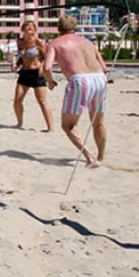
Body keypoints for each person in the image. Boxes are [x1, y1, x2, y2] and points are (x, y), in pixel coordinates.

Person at [42, 15, 108, 169]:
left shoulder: (55, 43)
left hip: (80, 80)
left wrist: (50, 81)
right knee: (98, 122)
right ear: (75, 27)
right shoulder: (88, 42)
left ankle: (90, 157)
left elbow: (46, 67)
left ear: (58, 28)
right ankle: (101, 157)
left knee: (68, 126)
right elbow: (104, 68)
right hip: (100, 78)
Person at [12, 21, 53, 132]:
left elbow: (46, 57)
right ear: (23, 30)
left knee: (42, 101)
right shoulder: (20, 42)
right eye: (27, 27)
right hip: (25, 73)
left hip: (37, 74)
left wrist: (42, 67)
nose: (30, 29)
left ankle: (50, 128)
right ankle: (19, 123)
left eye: (32, 27)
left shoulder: (38, 42)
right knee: (17, 101)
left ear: (35, 30)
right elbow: (21, 58)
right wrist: (17, 65)